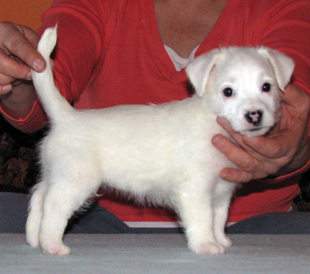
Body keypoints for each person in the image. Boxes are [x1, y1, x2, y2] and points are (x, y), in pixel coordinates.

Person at [0, 0, 310, 234]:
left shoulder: (284, 6)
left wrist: (291, 143)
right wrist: (19, 72)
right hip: (102, 219)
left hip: (256, 223)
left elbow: (298, 102)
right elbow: (46, 91)